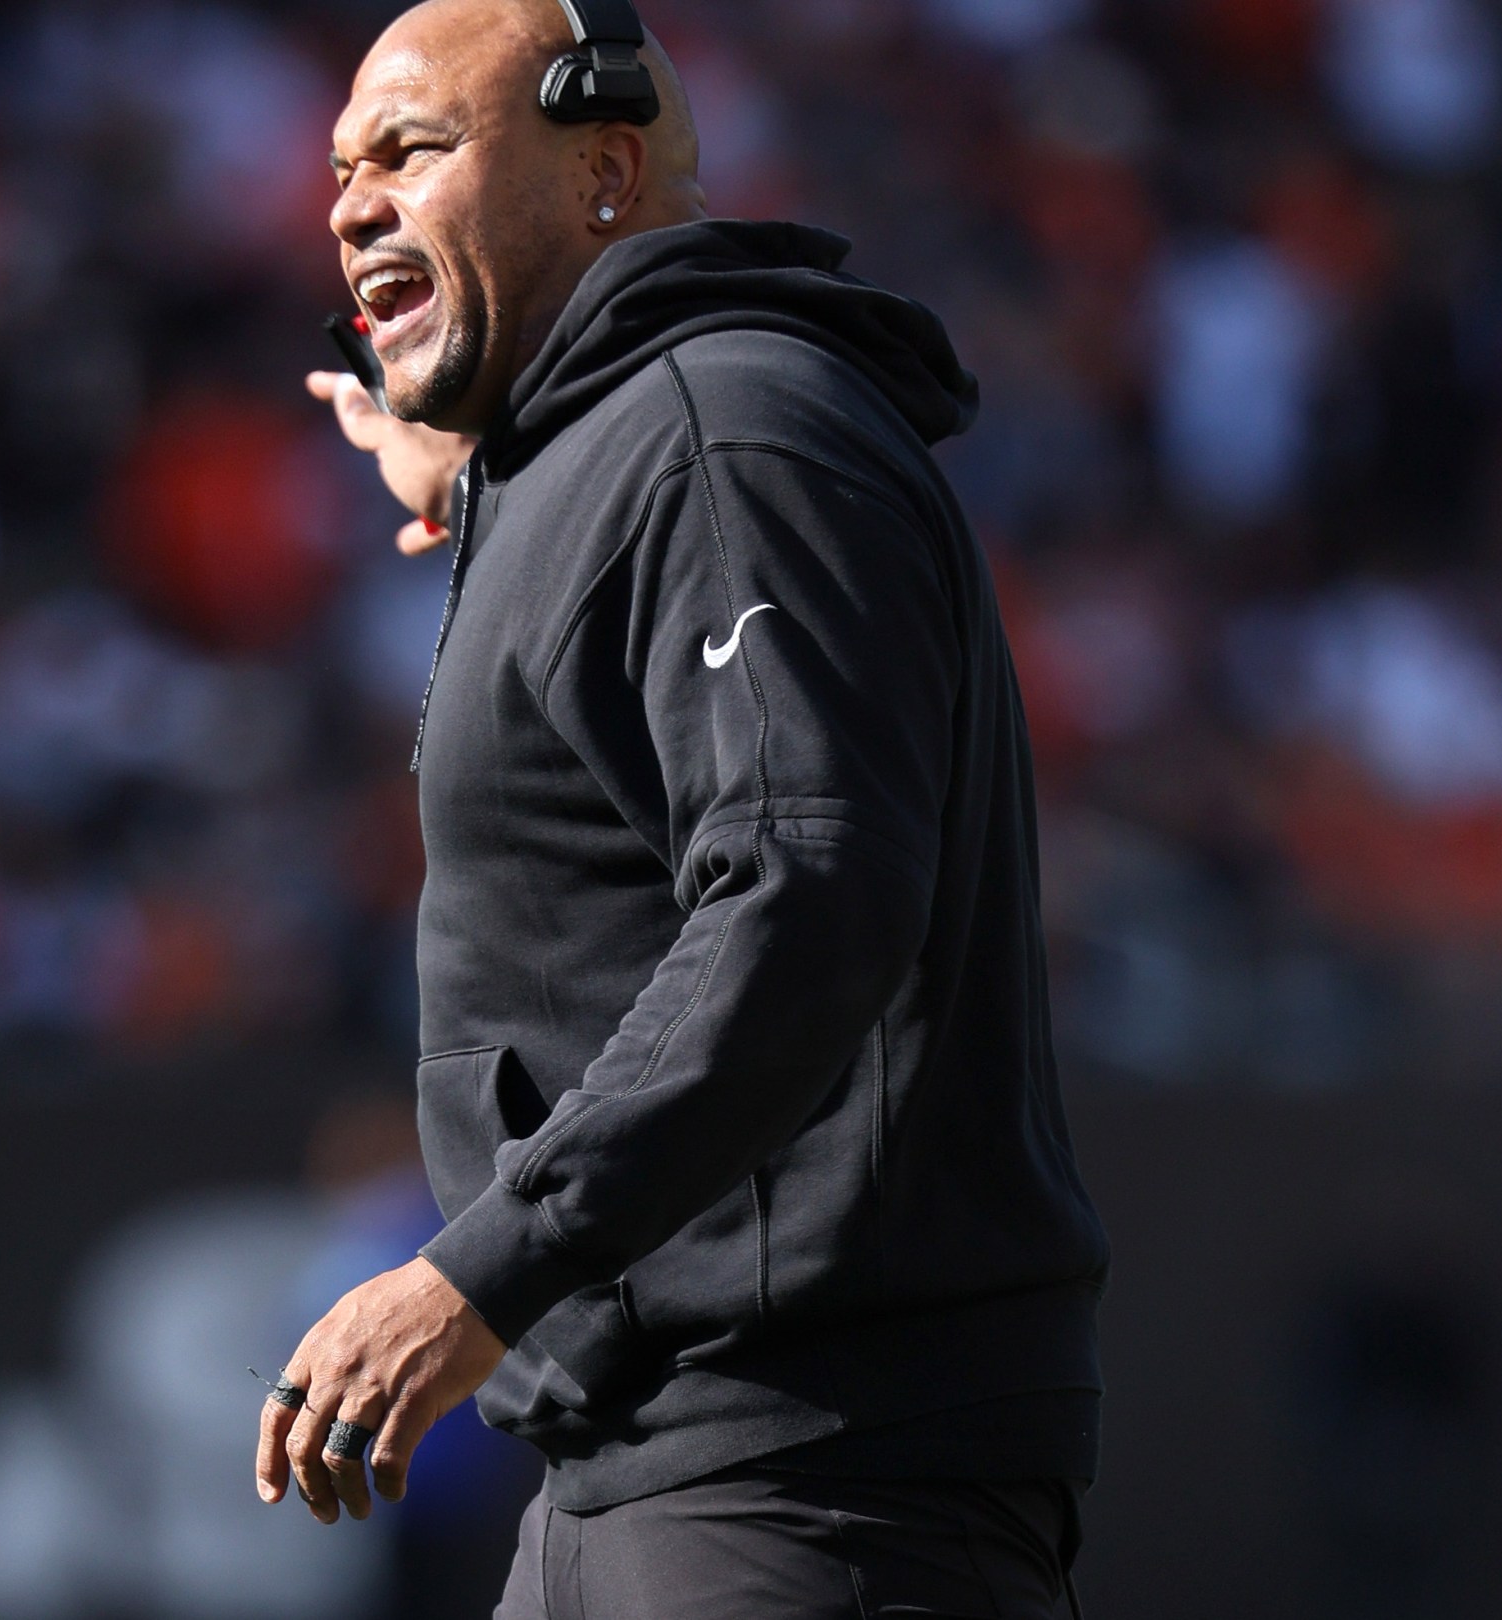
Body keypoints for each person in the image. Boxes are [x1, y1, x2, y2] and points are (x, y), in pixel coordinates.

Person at [256, 2, 1112, 1616]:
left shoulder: (730, 438)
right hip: (651, 1469)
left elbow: (805, 893)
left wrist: (482, 1271)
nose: (350, 201)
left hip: (806, 1480)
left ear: (606, 170)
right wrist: (489, 491)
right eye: (340, 167)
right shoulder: (639, 451)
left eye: (414, 148)